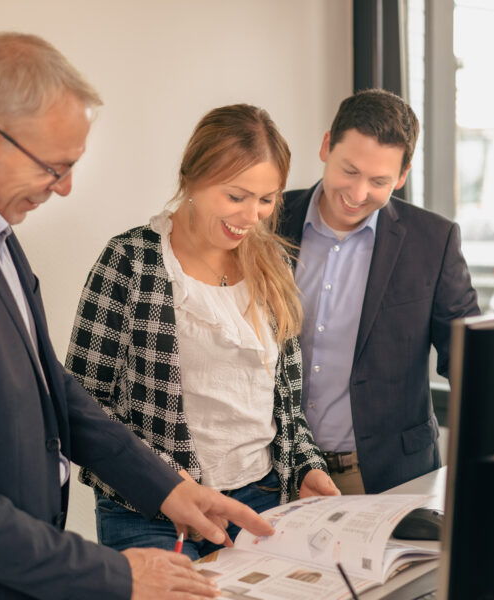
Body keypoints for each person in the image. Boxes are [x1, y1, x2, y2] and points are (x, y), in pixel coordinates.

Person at [0, 33, 273, 600]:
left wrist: (169, 488)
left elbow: (52, 387)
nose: (66, 189)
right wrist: (119, 574)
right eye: (55, 167)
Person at [65, 104, 339, 560]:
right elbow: (82, 407)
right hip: (148, 511)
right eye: (236, 196)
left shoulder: (274, 265)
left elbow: (284, 406)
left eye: (267, 199)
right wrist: (167, 483)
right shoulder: (130, 261)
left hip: (262, 499)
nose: (252, 215)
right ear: (192, 179)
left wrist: (307, 466)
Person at [277, 89, 480, 495]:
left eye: (379, 181)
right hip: (276, 470)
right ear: (325, 146)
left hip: (386, 475)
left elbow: (468, 357)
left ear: (402, 176)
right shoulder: (271, 220)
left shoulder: (433, 241)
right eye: (349, 170)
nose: (357, 194)